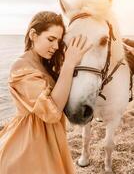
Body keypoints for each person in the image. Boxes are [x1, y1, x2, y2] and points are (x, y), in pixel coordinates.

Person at [0, 11, 90, 174]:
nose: (56, 46)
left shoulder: (45, 63)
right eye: (51, 39)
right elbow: (51, 113)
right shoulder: (20, 67)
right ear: (33, 35)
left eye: (59, 41)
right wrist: (69, 64)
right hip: (30, 143)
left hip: (51, 137)